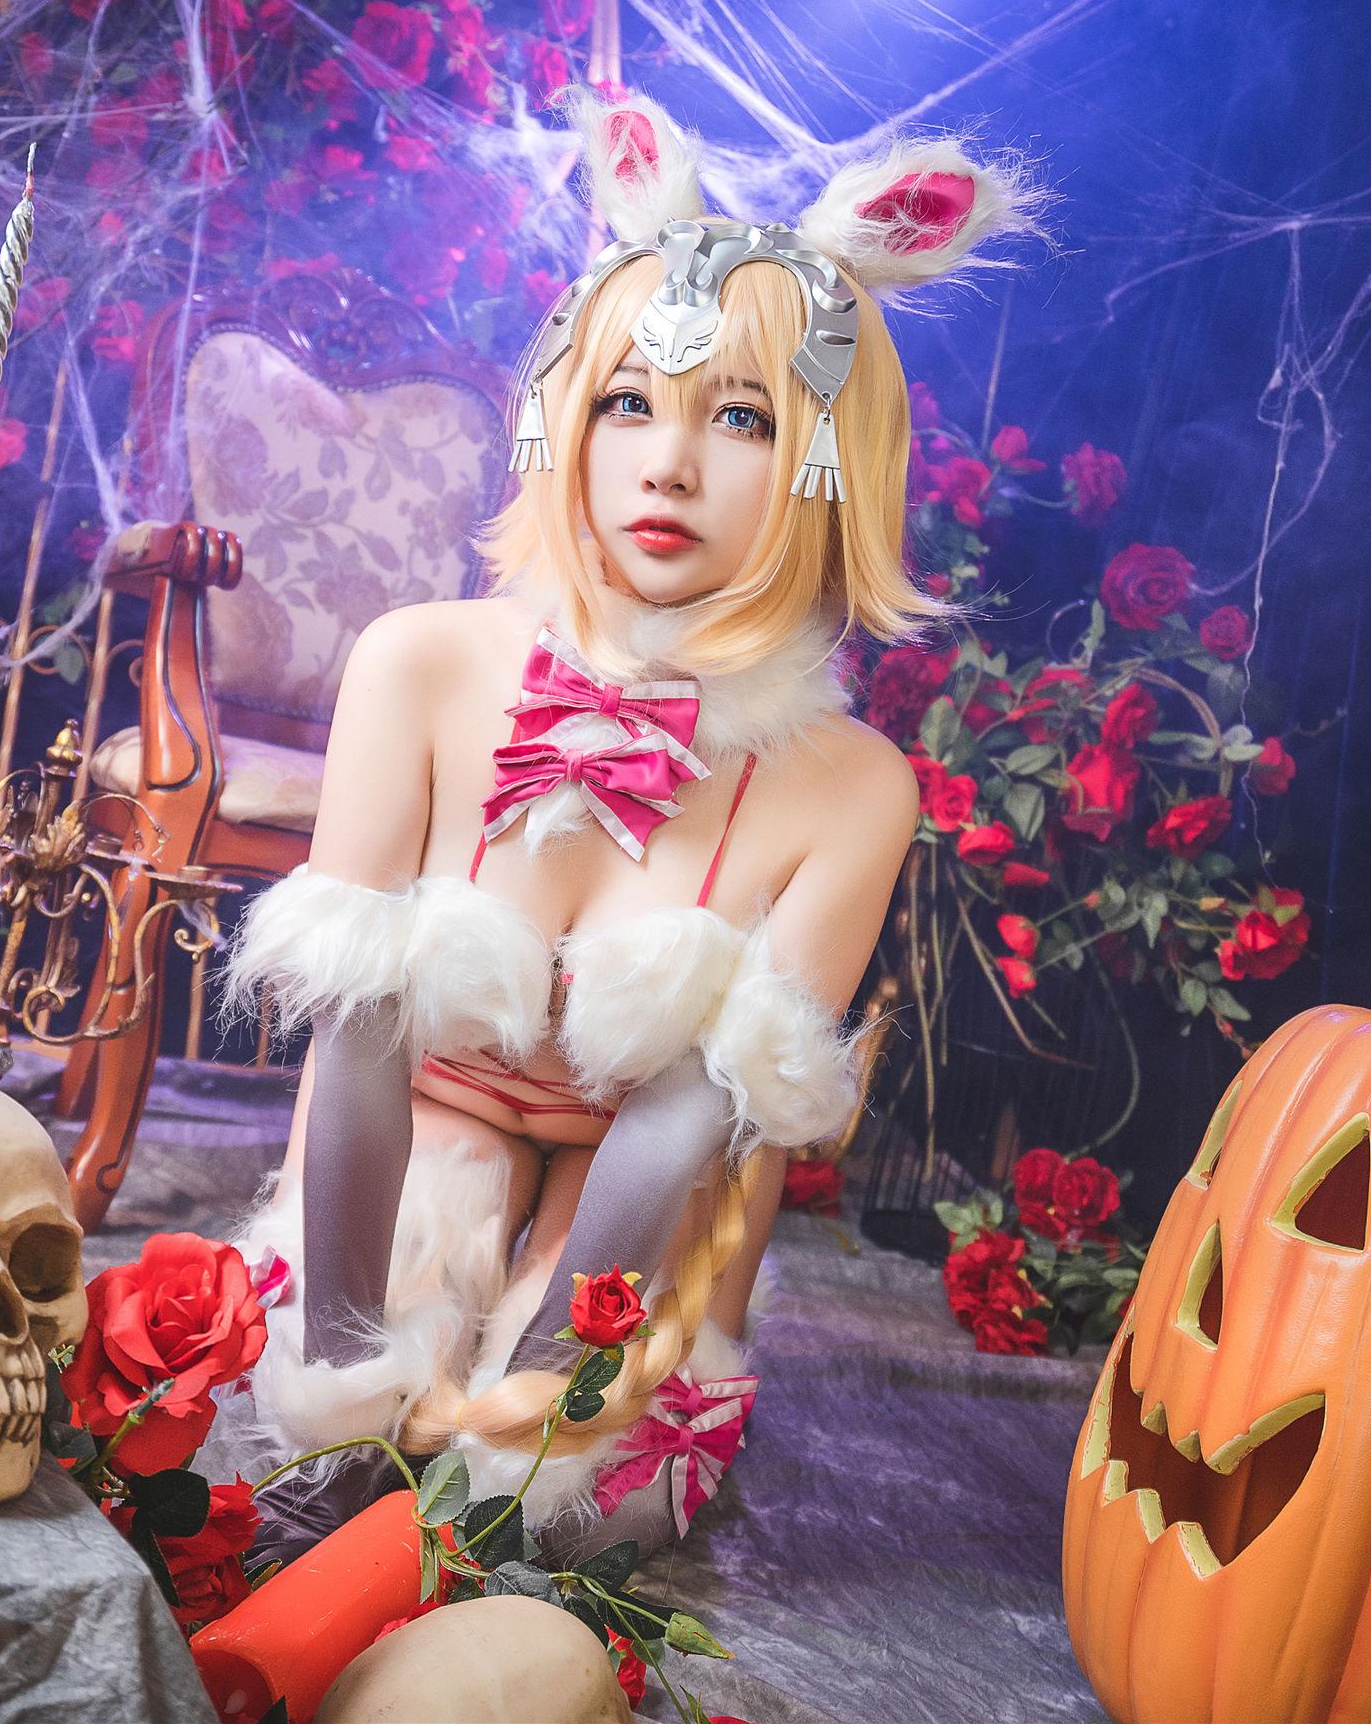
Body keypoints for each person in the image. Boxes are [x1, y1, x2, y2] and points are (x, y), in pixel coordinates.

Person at [224, 90, 1044, 1561]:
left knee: (554, 1496)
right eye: (628, 402)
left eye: (741, 417)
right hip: (425, 1118)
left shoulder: (857, 787)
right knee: (378, 1331)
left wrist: (541, 1404)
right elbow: (355, 1029)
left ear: (828, 460)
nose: (669, 464)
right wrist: (340, 1381)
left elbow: (693, 1115)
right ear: (565, 422)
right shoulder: (420, 664)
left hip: (653, 1185)